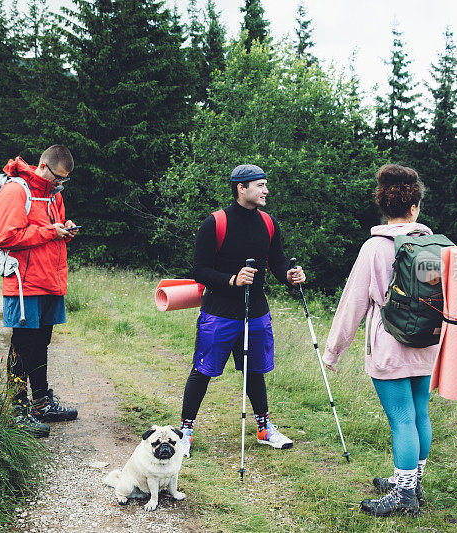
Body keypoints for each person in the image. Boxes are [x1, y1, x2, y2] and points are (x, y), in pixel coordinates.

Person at [322, 164, 437, 517]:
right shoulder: (434, 246)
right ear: (415, 207)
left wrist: (333, 351)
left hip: (390, 347)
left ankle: (404, 497)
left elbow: (353, 302)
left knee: (400, 419)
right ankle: (411, 483)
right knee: (419, 413)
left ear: (384, 207)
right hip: (428, 345)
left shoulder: (374, 248)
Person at [179, 164, 305, 455]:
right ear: (241, 188)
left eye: (265, 185)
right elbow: (199, 271)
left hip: (257, 311)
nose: (266, 191)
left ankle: (264, 428)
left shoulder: (269, 222)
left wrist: (290, 275)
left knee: (255, 371)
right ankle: (185, 431)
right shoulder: (215, 222)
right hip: (219, 313)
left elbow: (278, 262)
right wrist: (232, 280)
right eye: (260, 185)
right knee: (203, 371)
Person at [0, 145, 80, 438]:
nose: (60, 183)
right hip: (23, 283)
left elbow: (52, 228)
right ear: (43, 165)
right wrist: (50, 232)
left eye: (64, 179)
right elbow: (5, 237)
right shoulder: (16, 191)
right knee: (22, 344)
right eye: (57, 177)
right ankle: (16, 409)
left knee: (41, 342)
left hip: (51, 281)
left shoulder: (54, 195)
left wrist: (65, 227)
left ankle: (41, 402)